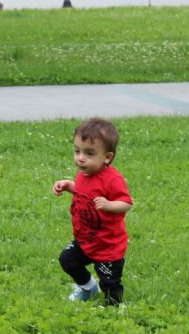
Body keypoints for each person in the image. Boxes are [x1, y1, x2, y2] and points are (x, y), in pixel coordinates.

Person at [53, 118, 133, 305]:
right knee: (68, 260)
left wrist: (108, 205)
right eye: (77, 151)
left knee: (110, 282)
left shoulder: (112, 179)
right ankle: (88, 288)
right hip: (86, 239)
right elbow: (84, 191)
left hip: (107, 245)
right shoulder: (84, 173)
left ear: (107, 157)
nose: (80, 158)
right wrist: (68, 185)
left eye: (89, 153)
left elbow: (127, 203)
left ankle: (114, 307)